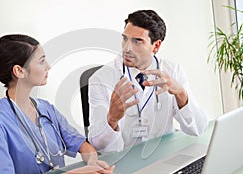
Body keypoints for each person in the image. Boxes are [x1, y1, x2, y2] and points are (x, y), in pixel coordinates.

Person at [0, 34, 119, 174]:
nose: (48, 66)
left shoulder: (46, 109)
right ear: (19, 71)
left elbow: (81, 144)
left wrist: (92, 162)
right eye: (41, 61)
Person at [88, 10, 208, 153]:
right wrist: (111, 119)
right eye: (125, 39)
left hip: (163, 156)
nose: (127, 48)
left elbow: (198, 128)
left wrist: (180, 93)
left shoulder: (173, 71)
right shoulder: (101, 79)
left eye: (137, 41)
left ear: (156, 46)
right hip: (123, 161)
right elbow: (97, 145)